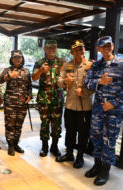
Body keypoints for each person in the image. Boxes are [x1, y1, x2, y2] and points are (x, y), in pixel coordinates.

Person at [84, 36, 122, 186]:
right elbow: (87, 84)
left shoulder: (121, 64)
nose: (106, 48)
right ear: (98, 49)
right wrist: (99, 81)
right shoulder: (96, 66)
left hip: (114, 112)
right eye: (102, 46)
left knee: (110, 140)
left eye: (108, 45)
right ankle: (97, 165)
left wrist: (114, 103)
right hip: (98, 111)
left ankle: (105, 170)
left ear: (112, 46)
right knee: (96, 138)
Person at [56, 39, 93, 168]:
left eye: (80, 49)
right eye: (75, 50)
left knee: (83, 133)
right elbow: (58, 81)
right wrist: (65, 81)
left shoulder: (90, 66)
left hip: (85, 106)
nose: (78, 52)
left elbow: (94, 86)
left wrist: (84, 92)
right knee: (70, 131)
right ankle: (69, 153)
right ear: (72, 52)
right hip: (70, 105)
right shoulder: (67, 65)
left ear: (84, 50)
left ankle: (80, 156)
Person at [32, 40, 65, 157]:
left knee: (57, 124)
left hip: (57, 99)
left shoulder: (62, 62)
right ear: (45, 49)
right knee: (45, 123)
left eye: (54, 48)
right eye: (49, 48)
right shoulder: (39, 62)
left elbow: (66, 79)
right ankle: (44, 147)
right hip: (44, 99)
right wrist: (41, 70)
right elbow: (34, 78)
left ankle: (54, 147)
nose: (52, 50)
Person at [0, 50, 32, 156]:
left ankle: (16, 143)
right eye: (15, 58)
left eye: (19, 57)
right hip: (10, 102)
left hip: (22, 102)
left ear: (22, 58)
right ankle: (10, 145)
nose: (17, 59)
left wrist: (29, 96)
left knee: (19, 124)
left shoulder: (26, 71)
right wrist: (8, 76)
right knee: (10, 124)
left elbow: (29, 86)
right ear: (11, 59)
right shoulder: (7, 70)